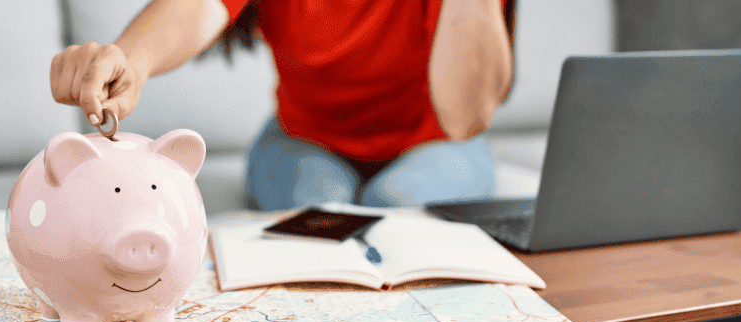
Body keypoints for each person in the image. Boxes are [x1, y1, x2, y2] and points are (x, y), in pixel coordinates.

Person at [50, 0, 514, 211]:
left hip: (437, 142)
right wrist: (130, 58)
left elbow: (465, 117)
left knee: (400, 206)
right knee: (319, 213)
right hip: (303, 139)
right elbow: (195, 8)